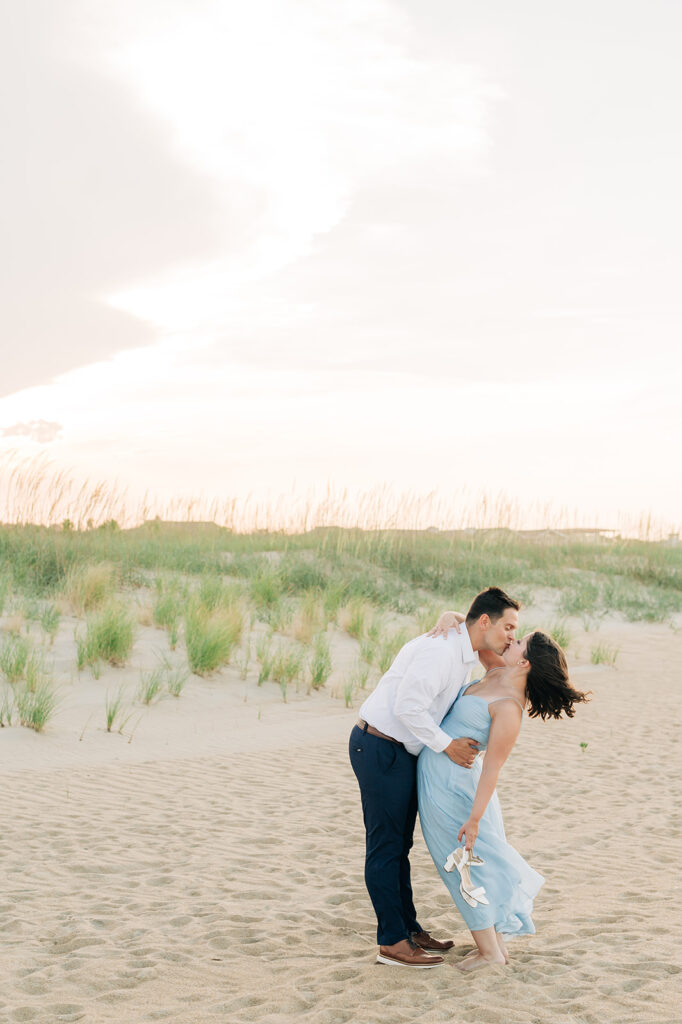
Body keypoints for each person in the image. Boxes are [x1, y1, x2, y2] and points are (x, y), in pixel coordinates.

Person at [348, 587, 521, 968]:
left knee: (400, 848)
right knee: (385, 847)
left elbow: (468, 622)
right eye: (508, 627)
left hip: (399, 751)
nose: (512, 636)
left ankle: (407, 928)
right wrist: (447, 745)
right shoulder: (441, 652)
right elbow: (406, 706)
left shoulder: (462, 646)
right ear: (487, 622)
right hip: (379, 746)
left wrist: (451, 614)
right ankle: (392, 942)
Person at [418, 619, 590, 971]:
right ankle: (492, 945)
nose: (510, 640)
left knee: (461, 866)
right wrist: (451, 615)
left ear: (524, 663)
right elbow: (476, 639)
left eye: (519, 642)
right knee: (468, 867)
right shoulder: (496, 670)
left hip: (459, 793)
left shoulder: (509, 707)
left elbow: (493, 770)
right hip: (440, 781)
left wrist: (475, 820)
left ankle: (491, 954)